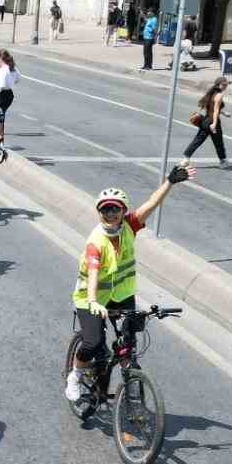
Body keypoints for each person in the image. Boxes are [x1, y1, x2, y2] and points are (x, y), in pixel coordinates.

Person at [65, 170, 194, 403]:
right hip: (89, 298)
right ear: (99, 212)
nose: (111, 214)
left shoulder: (130, 226)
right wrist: (93, 302)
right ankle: (75, 376)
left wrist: (170, 182)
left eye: (115, 209)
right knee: (93, 343)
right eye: (105, 209)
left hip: (122, 295)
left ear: (123, 211)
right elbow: (94, 273)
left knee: (129, 345)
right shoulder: (96, 241)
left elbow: (152, 203)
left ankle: (127, 380)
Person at [181, 78, 230, 169]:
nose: (225, 87)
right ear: (218, 85)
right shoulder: (219, 95)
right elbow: (215, 111)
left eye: (226, 85)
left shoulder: (211, 94)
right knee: (218, 142)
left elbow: (211, 108)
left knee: (198, 140)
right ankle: (223, 161)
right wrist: (214, 124)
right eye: (223, 85)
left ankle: (185, 159)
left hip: (205, 121)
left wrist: (224, 113)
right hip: (212, 122)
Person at [0, 49, 20, 114]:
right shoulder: (12, 67)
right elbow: (18, 78)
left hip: (0, 95)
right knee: (1, 115)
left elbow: (1, 85)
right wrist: (10, 83)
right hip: (9, 94)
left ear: (1, 58)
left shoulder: (3, 69)